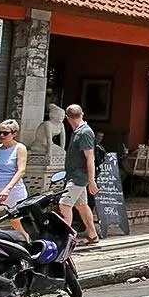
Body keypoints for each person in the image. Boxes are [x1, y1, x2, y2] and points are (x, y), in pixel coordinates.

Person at [60, 104, 101, 246]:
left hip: (78, 177)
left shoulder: (84, 132)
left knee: (64, 204)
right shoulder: (78, 131)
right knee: (82, 205)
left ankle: (66, 239)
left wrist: (91, 180)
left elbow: (90, 158)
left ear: (67, 118)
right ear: (82, 114)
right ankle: (92, 234)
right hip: (76, 175)